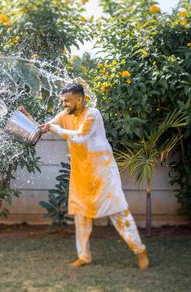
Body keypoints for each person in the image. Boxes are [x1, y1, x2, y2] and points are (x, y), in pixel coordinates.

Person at [38, 83, 149, 270]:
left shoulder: (93, 115)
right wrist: (42, 128)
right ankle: (84, 256)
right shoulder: (65, 115)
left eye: (67, 101)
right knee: (81, 216)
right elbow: (52, 124)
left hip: (103, 173)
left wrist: (53, 128)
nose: (64, 104)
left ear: (79, 99)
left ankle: (140, 252)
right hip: (81, 173)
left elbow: (80, 137)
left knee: (118, 212)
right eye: (62, 101)